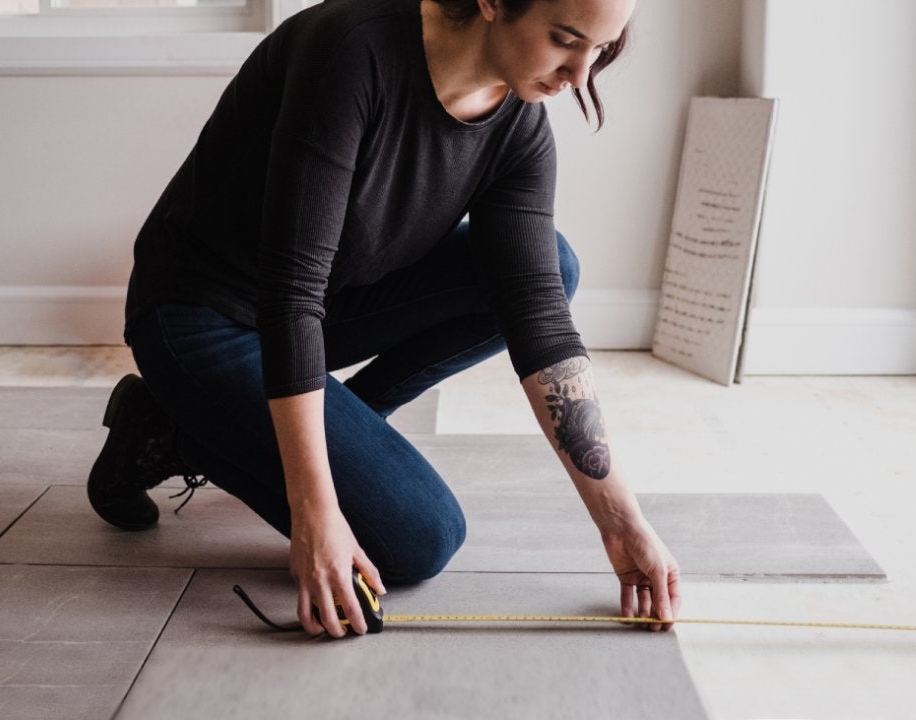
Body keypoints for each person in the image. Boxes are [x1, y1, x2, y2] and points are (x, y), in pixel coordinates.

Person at [88, 0, 681, 638]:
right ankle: (169, 430)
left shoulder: (519, 125)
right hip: (201, 314)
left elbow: (540, 316)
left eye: (602, 49)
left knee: (549, 270)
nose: (580, 74)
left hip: (325, 304)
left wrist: (622, 522)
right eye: (566, 40)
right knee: (421, 538)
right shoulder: (351, 52)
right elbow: (291, 292)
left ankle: (304, 433)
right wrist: (315, 512)